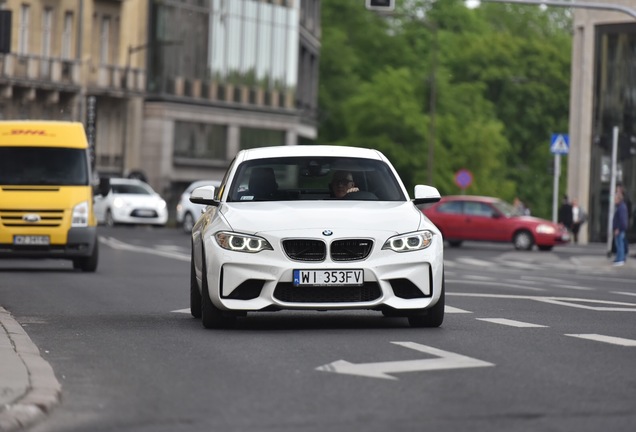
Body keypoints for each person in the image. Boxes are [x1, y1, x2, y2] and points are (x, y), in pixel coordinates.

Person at [612, 189, 628, 266]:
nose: (614, 200)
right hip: (619, 228)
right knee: (618, 244)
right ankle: (618, 258)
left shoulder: (621, 207)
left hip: (619, 229)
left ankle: (620, 259)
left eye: (615, 199)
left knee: (620, 244)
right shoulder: (620, 207)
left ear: (619, 199)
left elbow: (621, 220)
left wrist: (618, 228)